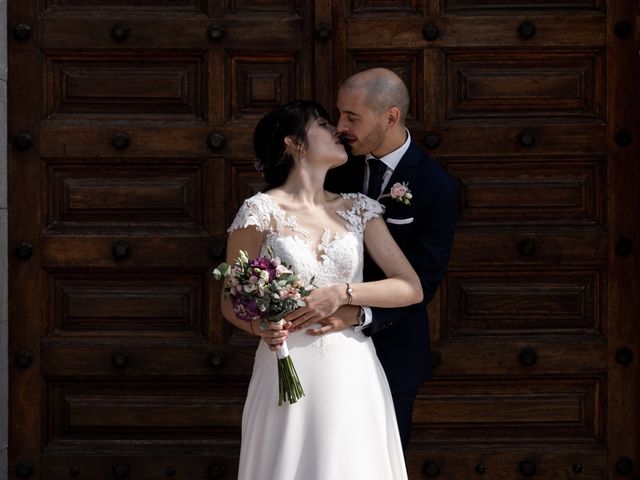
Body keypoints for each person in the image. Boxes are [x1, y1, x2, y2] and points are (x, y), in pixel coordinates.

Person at [221, 100, 422, 479]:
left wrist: (344, 294)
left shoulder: (359, 209)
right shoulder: (259, 212)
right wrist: (259, 328)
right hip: (287, 362)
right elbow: (231, 300)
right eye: (324, 124)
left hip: (351, 366)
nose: (338, 131)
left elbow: (409, 287)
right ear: (294, 143)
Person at [296, 68, 460, 450]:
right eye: (339, 114)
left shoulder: (436, 187)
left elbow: (424, 281)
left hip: (393, 353)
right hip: (320, 347)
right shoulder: (335, 164)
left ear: (390, 117)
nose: (340, 126)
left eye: (353, 117)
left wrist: (358, 313)